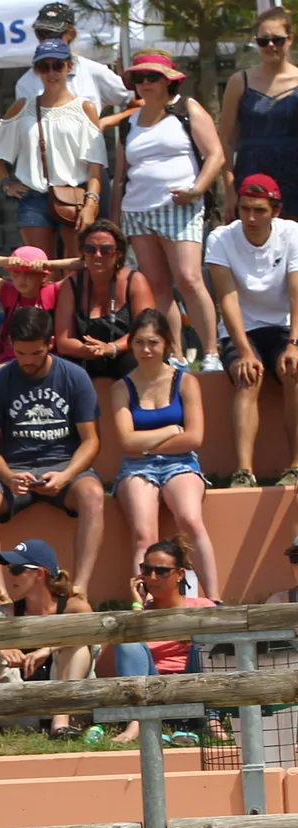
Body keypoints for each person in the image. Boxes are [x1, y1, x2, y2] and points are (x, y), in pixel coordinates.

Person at [0, 306, 107, 603]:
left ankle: (80, 590)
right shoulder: (0, 382)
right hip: (14, 469)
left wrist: (67, 475)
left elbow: (91, 441)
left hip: (65, 466)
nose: (27, 361)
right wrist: (8, 476)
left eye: (35, 353)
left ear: (50, 343)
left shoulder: (75, 377)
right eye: (20, 353)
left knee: (93, 494)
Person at [114, 51, 224, 370]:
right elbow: (120, 177)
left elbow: (215, 154)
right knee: (158, 287)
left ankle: (212, 353)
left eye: (153, 77)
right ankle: (175, 355)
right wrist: (114, 221)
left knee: (190, 279)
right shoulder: (128, 122)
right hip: (137, 211)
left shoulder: (187, 109)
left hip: (181, 207)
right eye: (139, 78)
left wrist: (196, 190)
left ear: (168, 80)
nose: (145, 83)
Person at [109, 310, 215, 598]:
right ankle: (143, 604)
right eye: (139, 342)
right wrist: (170, 430)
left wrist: (144, 442)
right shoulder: (122, 387)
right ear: (130, 344)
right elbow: (126, 441)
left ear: (167, 343)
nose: (146, 350)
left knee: (191, 520)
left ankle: (215, 599)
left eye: (153, 342)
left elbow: (194, 437)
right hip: (136, 466)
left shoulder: (185, 382)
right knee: (145, 535)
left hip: (181, 463)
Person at [0, 538, 93, 744]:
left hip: (71, 706)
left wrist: (48, 649)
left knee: (78, 645)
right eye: (9, 569)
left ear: (39, 573)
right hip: (21, 709)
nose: (10, 576)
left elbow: (91, 629)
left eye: (16, 569)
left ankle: (61, 721)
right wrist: (1, 647)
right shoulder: (9, 611)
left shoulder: (74, 607)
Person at [210, 173, 298, 487]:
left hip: (284, 326)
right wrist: (245, 351)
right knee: (249, 375)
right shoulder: (220, 238)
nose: (251, 217)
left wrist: (295, 343)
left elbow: (296, 291)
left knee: (295, 370)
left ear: (275, 210)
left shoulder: (292, 233)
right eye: (246, 208)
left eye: (259, 210)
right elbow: (227, 298)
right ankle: (243, 471)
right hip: (240, 330)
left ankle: (295, 466)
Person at [0, 40, 106, 257]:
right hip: (32, 198)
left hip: (74, 196)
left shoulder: (85, 108)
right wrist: (5, 182)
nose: (51, 72)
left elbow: (95, 166)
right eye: (43, 66)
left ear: (69, 66)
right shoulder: (23, 107)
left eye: (57, 65)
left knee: (74, 269)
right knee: (40, 270)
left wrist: (91, 203)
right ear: (36, 71)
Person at [107, 538, 214, 743]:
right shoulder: (141, 614)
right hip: (154, 687)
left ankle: (210, 720)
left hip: (194, 681)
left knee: (204, 639)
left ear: (179, 575)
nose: (153, 577)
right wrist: (137, 606)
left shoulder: (202, 606)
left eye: (162, 571)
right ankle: (138, 721)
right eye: (146, 570)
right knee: (127, 639)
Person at [222, 7, 298, 221]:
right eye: (263, 41)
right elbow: (226, 141)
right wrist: (229, 191)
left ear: (290, 39)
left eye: (278, 40)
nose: (271, 45)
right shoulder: (239, 82)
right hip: (251, 172)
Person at [52, 220, 152, 380]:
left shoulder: (134, 281)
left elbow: (146, 331)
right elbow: (63, 341)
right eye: (90, 249)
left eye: (106, 249)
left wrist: (111, 348)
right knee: (63, 366)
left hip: (126, 354)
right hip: (86, 356)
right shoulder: (71, 285)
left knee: (136, 359)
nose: (97, 255)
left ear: (118, 253)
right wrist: (86, 350)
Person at [0, 245, 76, 362]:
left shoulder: (53, 291)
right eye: (16, 273)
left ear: (44, 276)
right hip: (11, 360)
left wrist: (48, 265)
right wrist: (4, 261)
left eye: (30, 273)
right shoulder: (8, 291)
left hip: (46, 360)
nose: (22, 279)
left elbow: (83, 264)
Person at [15, 3, 131, 115]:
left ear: (71, 34)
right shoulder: (25, 83)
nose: (48, 39)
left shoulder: (93, 71)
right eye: (41, 34)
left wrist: (106, 122)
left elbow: (136, 102)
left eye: (54, 34)